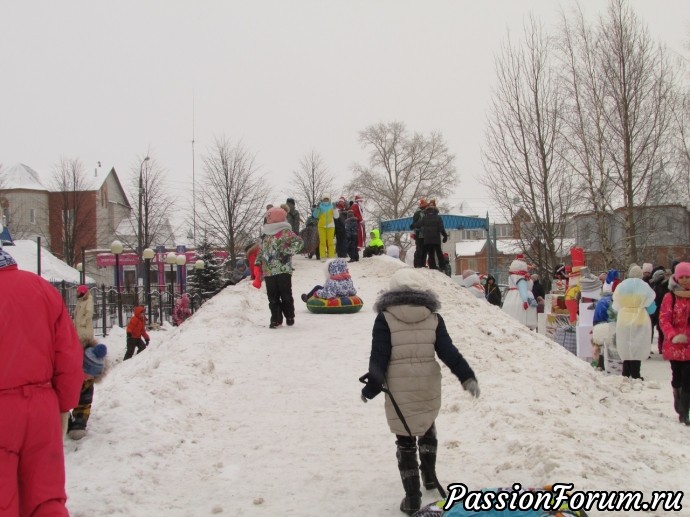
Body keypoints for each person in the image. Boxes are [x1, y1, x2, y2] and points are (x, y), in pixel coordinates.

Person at [360, 268, 480, 515]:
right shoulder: (433, 317)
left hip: (398, 385)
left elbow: (379, 358)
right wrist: (467, 376)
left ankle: (413, 497)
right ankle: (430, 477)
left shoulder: (385, 318)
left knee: (405, 438)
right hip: (427, 383)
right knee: (427, 425)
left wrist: (371, 387)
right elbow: (448, 352)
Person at [0, 244, 83, 516]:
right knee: (47, 499)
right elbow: (69, 355)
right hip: (42, 409)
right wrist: (64, 404)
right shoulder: (42, 288)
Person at [254, 206, 304, 328]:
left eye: (268, 218)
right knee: (272, 296)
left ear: (276, 219)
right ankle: (275, 319)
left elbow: (299, 242)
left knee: (285, 294)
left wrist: (288, 250)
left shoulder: (286, 232)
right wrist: (257, 263)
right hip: (268, 271)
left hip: (283, 270)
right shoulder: (265, 235)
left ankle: (289, 315)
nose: (266, 220)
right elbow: (261, 251)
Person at [658, 261, 690, 425]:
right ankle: (677, 395)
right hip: (674, 345)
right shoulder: (670, 297)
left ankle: (685, 413)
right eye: (681, 277)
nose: (684, 280)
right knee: (677, 376)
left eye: (687, 277)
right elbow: (664, 319)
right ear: (677, 278)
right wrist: (673, 336)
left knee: (688, 378)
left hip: (689, 345)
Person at [612, 264, 656, 380]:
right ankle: (636, 373)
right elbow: (652, 307)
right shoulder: (644, 286)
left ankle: (625, 372)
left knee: (625, 344)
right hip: (640, 318)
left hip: (624, 319)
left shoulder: (622, 286)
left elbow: (615, 305)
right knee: (637, 345)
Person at [67, 343, 108, 440]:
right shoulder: (65, 376)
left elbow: (84, 403)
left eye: (93, 375)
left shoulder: (88, 382)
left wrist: (79, 424)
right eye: (87, 373)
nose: (90, 377)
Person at [502, 255, 538, 329]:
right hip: (523, 298)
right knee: (520, 313)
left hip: (513, 297)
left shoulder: (513, 276)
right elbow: (522, 288)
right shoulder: (522, 277)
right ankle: (525, 325)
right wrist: (525, 301)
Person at [415, 202, 447, 270]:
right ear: (435, 211)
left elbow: (418, 224)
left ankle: (432, 266)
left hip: (427, 239)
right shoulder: (438, 217)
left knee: (430, 253)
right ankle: (442, 266)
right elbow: (441, 228)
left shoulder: (424, 217)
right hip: (436, 239)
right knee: (439, 252)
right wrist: (445, 236)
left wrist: (413, 226)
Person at [312, 194, 339, 260]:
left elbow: (336, 216)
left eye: (327, 199)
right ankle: (322, 256)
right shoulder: (320, 206)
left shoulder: (332, 206)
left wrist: (335, 209)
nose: (326, 200)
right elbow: (315, 216)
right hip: (321, 226)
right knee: (322, 242)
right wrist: (317, 208)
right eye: (324, 199)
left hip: (331, 226)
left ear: (329, 199)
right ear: (322, 199)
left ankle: (331, 256)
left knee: (330, 242)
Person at [411, 198, 428, 268]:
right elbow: (414, 224)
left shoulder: (423, 213)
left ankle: (422, 264)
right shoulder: (418, 213)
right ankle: (418, 264)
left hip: (424, 234)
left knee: (424, 249)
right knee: (420, 249)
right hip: (419, 234)